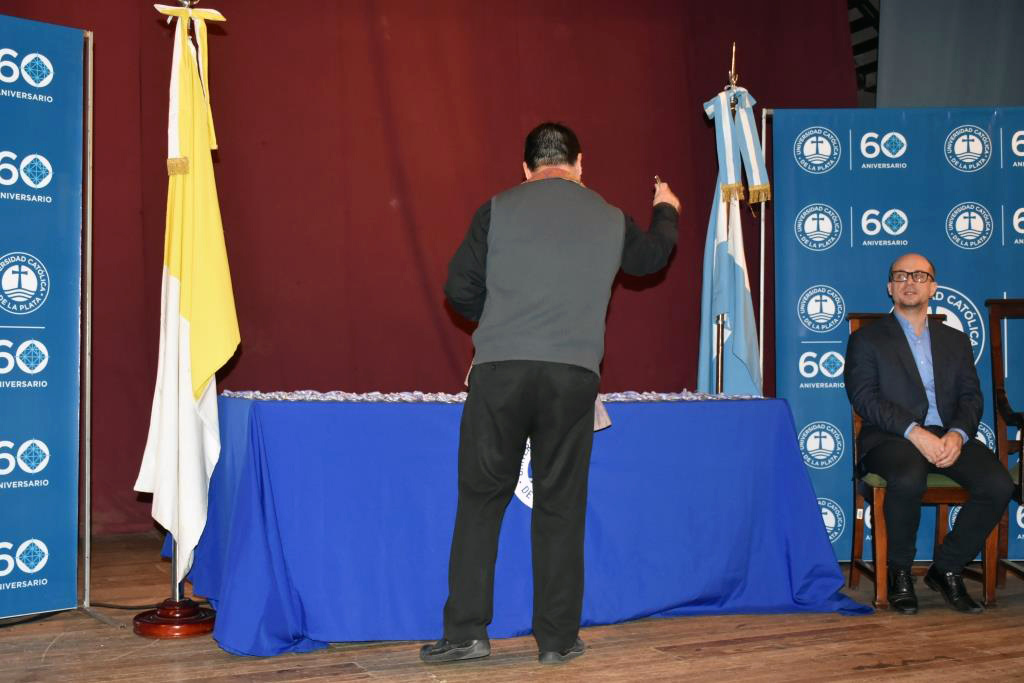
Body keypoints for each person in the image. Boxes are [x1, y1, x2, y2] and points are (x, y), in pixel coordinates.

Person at [420, 122, 679, 665]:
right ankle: (558, 641)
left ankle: (467, 633)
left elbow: (458, 289)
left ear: (526, 167)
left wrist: (501, 320)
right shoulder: (609, 217)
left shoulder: (497, 208)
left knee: (480, 503)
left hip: (501, 372)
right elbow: (650, 258)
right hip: (572, 377)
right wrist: (666, 209)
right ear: (580, 164)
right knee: (561, 506)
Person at [844, 252, 1013, 614]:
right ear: (890, 287)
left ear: (933, 287)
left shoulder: (955, 340)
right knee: (908, 474)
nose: (910, 282)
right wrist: (913, 432)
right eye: (901, 276)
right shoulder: (868, 339)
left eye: (920, 276)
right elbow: (864, 399)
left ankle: (947, 567)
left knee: (999, 484)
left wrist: (958, 435)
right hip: (889, 438)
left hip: (948, 434)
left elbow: (971, 397)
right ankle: (900, 572)